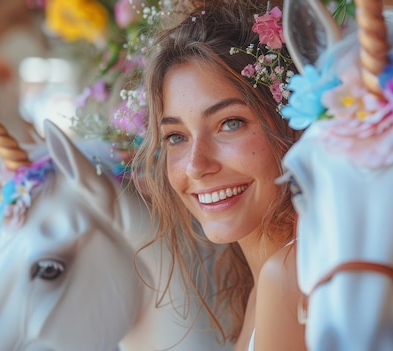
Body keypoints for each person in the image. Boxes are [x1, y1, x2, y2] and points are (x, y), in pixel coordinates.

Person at [132, 1, 306, 350]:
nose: (196, 165)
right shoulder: (267, 280)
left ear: (292, 125)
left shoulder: (287, 276)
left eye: (230, 123)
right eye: (176, 137)